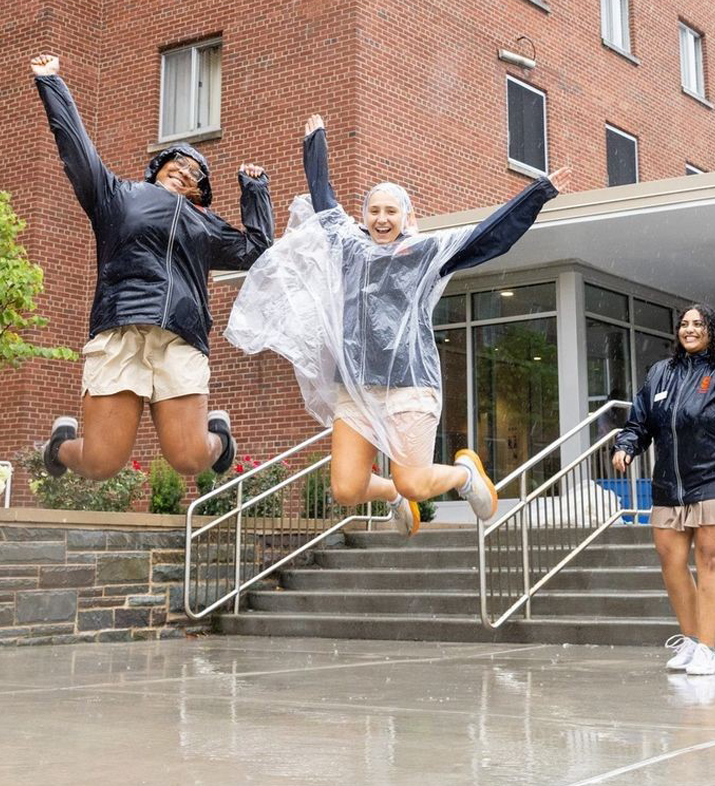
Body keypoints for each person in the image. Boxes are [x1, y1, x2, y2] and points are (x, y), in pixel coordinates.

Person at [226, 114, 571, 534]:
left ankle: (465, 475)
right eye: (374, 210)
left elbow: (487, 237)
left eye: (391, 211)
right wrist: (315, 142)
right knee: (346, 489)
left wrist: (538, 194)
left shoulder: (425, 252)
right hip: (357, 388)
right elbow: (324, 201)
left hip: (409, 384)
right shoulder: (350, 247)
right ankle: (392, 496)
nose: (382, 218)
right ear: (365, 216)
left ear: (407, 217)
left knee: (416, 480)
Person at [30, 54, 275, 483]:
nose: (184, 172)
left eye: (195, 173)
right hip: (120, 328)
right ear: (156, 169)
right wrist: (52, 84)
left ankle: (221, 437)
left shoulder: (206, 224)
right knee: (101, 464)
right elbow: (78, 150)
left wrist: (254, 190)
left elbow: (257, 251)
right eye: (175, 164)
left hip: (180, 336)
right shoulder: (116, 197)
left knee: (190, 459)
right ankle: (60, 446)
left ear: (200, 191)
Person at [613, 304, 715, 675]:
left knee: (710, 559)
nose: (689, 330)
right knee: (671, 562)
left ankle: (708, 648)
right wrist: (627, 445)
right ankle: (692, 640)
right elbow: (640, 419)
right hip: (668, 486)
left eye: (698, 324)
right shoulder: (661, 373)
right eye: (684, 324)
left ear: (712, 330)